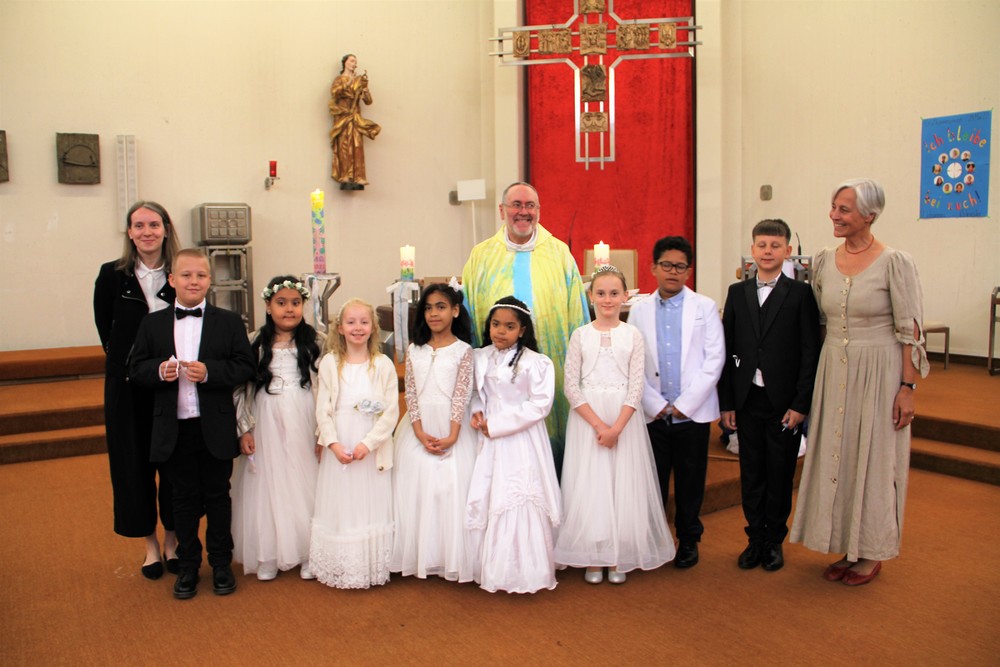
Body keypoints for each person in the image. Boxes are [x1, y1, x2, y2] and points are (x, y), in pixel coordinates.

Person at [791, 179, 928, 586]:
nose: (834, 215)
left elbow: (909, 332)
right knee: (839, 455)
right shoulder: (823, 260)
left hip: (879, 370)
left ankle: (871, 551)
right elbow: (819, 323)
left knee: (875, 459)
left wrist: (907, 389)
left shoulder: (894, 262)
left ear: (869, 215)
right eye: (834, 207)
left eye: (844, 209)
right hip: (834, 368)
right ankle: (846, 545)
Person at [129, 248, 256, 600]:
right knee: (181, 499)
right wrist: (160, 370)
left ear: (210, 281)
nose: (193, 281)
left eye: (201, 275)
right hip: (173, 428)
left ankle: (220, 563)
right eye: (186, 275)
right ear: (172, 280)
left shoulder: (228, 322)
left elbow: (245, 366)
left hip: (214, 426)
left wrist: (211, 372)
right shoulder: (152, 323)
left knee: (218, 497)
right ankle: (187, 566)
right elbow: (135, 369)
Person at [555, 266, 675, 585]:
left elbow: (636, 386)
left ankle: (619, 553)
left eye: (613, 293)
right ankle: (595, 554)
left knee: (623, 484)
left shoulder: (632, 335)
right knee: (591, 484)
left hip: (624, 420)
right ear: (591, 296)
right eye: (601, 293)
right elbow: (571, 386)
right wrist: (599, 426)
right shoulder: (580, 335)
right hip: (589, 420)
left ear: (625, 296)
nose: (607, 299)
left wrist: (616, 428)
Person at [461, 182, 590, 474]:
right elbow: (469, 315)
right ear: (502, 210)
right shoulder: (482, 256)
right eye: (516, 205)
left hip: (551, 366)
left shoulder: (559, 254)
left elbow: (578, 316)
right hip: (497, 378)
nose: (523, 212)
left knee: (550, 445)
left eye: (530, 205)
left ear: (539, 211)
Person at [718, 219, 821, 572]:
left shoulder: (801, 294)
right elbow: (730, 351)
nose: (767, 251)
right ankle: (754, 539)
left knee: (779, 474)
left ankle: (774, 540)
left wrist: (801, 404)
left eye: (775, 246)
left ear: (788, 251)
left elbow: (809, 352)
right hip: (748, 400)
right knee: (752, 473)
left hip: (784, 404)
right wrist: (729, 400)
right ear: (752, 250)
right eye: (761, 245)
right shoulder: (737, 292)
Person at [93, 200, 180, 580]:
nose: (147, 232)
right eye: (139, 225)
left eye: (154, 225)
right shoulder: (112, 276)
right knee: (134, 467)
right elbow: (106, 332)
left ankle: (173, 541)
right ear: (129, 232)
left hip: (173, 384)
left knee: (174, 466)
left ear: (166, 229)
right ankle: (150, 547)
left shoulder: (181, 272)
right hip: (127, 388)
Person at [628, 236, 724, 569]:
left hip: (691, 414)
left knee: (690, 481)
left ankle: (688, 539)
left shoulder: (705, 307)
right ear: (653, 268)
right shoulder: (639, 310)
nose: (673, 271)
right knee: (652, 480)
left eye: (680, 266)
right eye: (666, 265)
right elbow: (633, 362)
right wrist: (654, 403)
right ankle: (654, 540)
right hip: (653, 413)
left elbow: (715, 358)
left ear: (689, 271)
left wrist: (687, 403)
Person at [466, 296, 562, 593]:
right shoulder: (479, 357)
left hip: (521, 437)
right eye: (496, 324)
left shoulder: (536, 363)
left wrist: (498, 425)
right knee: (491, 490)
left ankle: (527, 569)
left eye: (509, 326)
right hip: (488, 437)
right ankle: (493, 565)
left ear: (522, 330)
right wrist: (477, 411)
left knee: (518, 492)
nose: (500, 331)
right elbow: (476, 392)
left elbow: (540, 405)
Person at [232, 277, 324, 581]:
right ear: (268, 306)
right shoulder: (254, 342)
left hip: (305, 413)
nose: (289, 309)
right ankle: (269, 552)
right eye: (281, 303)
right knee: (268, 481)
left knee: (305, 480)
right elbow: (240, 388)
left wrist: (324, 430)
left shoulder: (317, 341)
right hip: (265, 416)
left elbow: (329, 385)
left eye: (296, 303)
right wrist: (244, 428)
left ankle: (309, 551)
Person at [390, 283, 477, 582]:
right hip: (419, 426)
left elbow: (461, 396)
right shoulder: (415, 350)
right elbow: (411, 393)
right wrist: (418, 431)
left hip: (453, 426)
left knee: (450, 487)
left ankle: (449, 556)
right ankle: (422, 555)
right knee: (417, 485)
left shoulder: (464, 351)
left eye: (440, 307)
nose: (433, 314)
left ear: (455, 311)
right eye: (428, 308)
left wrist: (452, 435)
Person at [311, 298, 399, 589]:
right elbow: (323, 409)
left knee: (368, 504)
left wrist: (369, 443)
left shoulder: (383, 364)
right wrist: (333, 443)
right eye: (351, 322)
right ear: (340, 328)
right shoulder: (329, 363)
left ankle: (368, 565)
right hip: (340, 441)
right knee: (343, 503)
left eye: (364, 322)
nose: (357, 328)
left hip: (370, 445)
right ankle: (342, 565)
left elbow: (391, 411)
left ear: (373, 327)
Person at [329, 53, 380, 189]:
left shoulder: (359, 80)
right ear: (345, 62)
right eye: (352, 61)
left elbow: (368, 101)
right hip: (343, 116)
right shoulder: (339, 79)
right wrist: (348, 83)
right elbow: (334, 93)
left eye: (355, 62)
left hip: (355, 116)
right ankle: (345, 175)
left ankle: (359, 176)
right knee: (344, 145)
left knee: (357, 145)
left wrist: (366, 91)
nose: (354, 64)